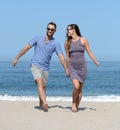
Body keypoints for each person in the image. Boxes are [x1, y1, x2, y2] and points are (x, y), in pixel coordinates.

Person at [13, 22, 69, 111]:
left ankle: (41, 105)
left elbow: (61, 56)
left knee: (43, 87)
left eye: (51, 29)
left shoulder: (55, 43)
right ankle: (45, 102)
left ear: (55, 31)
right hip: (35, 65)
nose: (49, 30)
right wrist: (17, 58)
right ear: (46, 29)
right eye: (48, 28)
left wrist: (66, 68)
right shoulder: (37, 38)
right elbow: (26, 47)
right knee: (39, 82)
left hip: (46, 67)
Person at [64, 24, 99, 112]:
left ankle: (77, 105)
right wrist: (67, 69)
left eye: (69, 29)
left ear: (74, 30)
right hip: (72, 67)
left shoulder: (83, 40)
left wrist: (95, 61)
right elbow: (67, 57)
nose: (67, 31)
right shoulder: (67, 42)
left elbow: (89, 52)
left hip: (82, 67)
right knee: (76, 86)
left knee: (80, 89)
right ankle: (73, 103)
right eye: (67, 30)